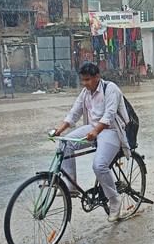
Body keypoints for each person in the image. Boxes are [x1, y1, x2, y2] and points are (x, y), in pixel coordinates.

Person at [51, 62, 131, 223]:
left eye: (87, 80)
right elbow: (74, 112)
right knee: (65, 143)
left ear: (97, 77)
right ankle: (71, 185)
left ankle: (114, 200)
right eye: (83, 80)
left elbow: (109, 115)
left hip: (112, 131)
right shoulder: (85, 92)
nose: (84, 83)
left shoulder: (111, 89)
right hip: (93, 128)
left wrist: (96, 131)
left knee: (99, 166)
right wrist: (60, 129)